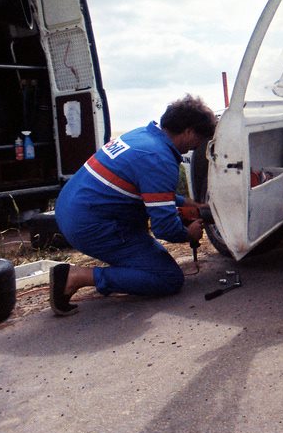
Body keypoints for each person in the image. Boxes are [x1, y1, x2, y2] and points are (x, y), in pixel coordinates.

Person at [50, 95, 217, 316]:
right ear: (188, 131)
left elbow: (142, 187)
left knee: (147, 252)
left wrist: (183, 202)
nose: (197, 146)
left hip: (70, 210)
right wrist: (188, 233)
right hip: (91, 225)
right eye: (200, 139)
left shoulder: (144, 136)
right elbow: (164, 228)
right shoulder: (159, 158)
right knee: (168, 278)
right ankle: (77, 277)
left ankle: (124, 268)